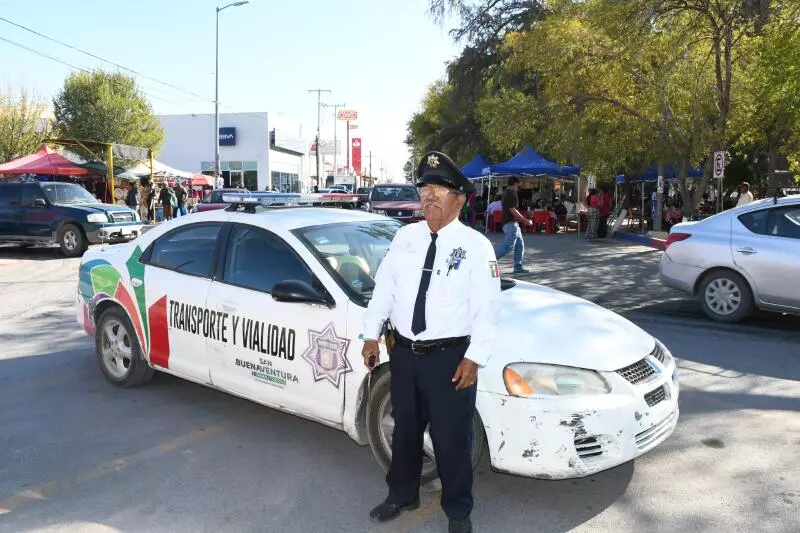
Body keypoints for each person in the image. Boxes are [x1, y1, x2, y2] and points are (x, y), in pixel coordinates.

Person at [361, 151, 501, 533]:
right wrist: (370, 333)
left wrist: (474, 357)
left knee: (451, 438)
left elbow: (486, 308)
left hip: (449, 359)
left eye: (440, 188)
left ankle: (458, 512)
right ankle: (401, 494)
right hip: (403, 354)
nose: (430, 196)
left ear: (460, 199)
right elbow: (384, 291)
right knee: (405, 429)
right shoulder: (406, 237)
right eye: (425, 189)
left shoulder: (475, 247)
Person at [493, 177, 533, 274]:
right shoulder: (511, 194)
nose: (521, 185)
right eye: (520, 183)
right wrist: (525, 220)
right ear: (515, 183)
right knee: (508, 246)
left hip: (512, 223)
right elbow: (513, 210)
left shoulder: (507, 192)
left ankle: (518, 267)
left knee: (520, 245)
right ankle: (489, 261)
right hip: (510, 224)